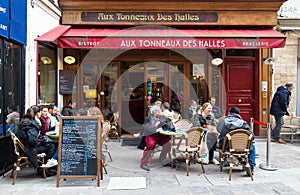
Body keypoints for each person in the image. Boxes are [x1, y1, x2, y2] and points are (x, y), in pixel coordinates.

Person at [218, 107, 256, 176]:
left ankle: (227, 160)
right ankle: (250, 166)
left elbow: (218, 131)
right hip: (242, 147)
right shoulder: (243, 123)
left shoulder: (223, 122)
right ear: (238, 114)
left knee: (222, 142)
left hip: (226, 147)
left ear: (230, 113)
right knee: (252, 148)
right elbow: (252, 136)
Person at [140, 105, 172, 171]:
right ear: (152, 112)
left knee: (168, 144)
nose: (158, 112)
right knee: (151, 145)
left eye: (159, 110)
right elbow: (146, 128)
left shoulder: (162, 117)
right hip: (150, 135)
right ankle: (143, 163)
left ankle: (162, 158)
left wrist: (162, 123)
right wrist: (155, 127)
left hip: (161, 135)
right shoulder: (148, 118)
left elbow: (168, 123)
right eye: (156, 110)